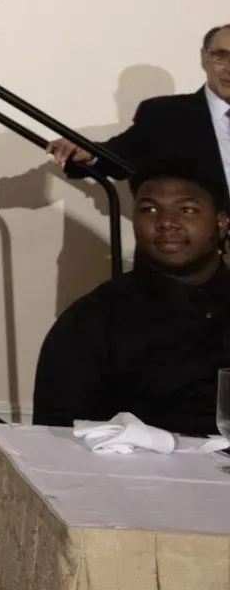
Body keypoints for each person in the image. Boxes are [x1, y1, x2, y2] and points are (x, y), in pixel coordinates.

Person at [33, 170, 230, 436]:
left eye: (187, 210)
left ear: (221, 223)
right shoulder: (92, 319)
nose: (166, 222)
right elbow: (58, 432)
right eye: (150, 209)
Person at [47, 23, 230, 199]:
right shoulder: (165, 115)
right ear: (204, 58)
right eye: (222, 56)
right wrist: (87, 152)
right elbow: (118, 156)